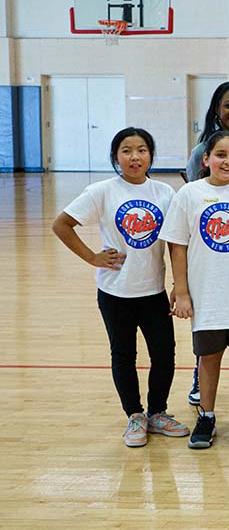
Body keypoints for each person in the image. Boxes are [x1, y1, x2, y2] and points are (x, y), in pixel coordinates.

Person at [52, 127, 189, 447]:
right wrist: (92, 257)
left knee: (164, 354)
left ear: (151, 156)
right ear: (116, 156)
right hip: (115, 293)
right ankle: (135, 416)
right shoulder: (102, 190)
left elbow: (175, 243)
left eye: (142, 150)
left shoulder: (164, 193)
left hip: (153, 291)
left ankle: (158, 413)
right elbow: (62, 224)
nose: (135, 157)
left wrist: (178, 285)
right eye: (127, 150)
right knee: (123, 355)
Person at [162, 131, 229, 449]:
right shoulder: (189, 194)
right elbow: (177, 244)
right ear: (206, 159)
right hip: (206, 290)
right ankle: (206, 416)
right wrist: (181, 290)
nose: (228, 161)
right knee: (207, 357)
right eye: (221, 154)